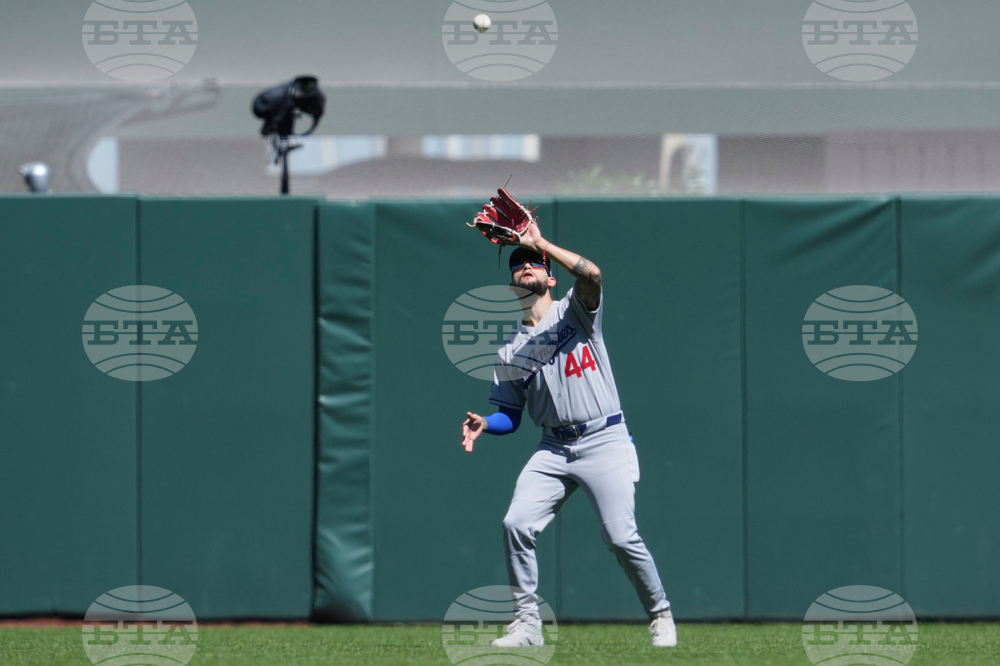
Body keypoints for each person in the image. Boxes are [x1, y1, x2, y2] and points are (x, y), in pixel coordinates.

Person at [460, 221, 677, 648]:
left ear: (550, 276)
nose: (525, 267)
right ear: (511, 287)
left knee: (619, 536)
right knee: (516, 523)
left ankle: (660, 614)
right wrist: (487, 424)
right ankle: (527, 625)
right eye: (517, 265)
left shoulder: (575, 311)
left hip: (604, 438)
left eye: (533, 263)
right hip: (554, 447)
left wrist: (540, 243)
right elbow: (510, 415)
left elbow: (592, 275)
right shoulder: (509, 352)